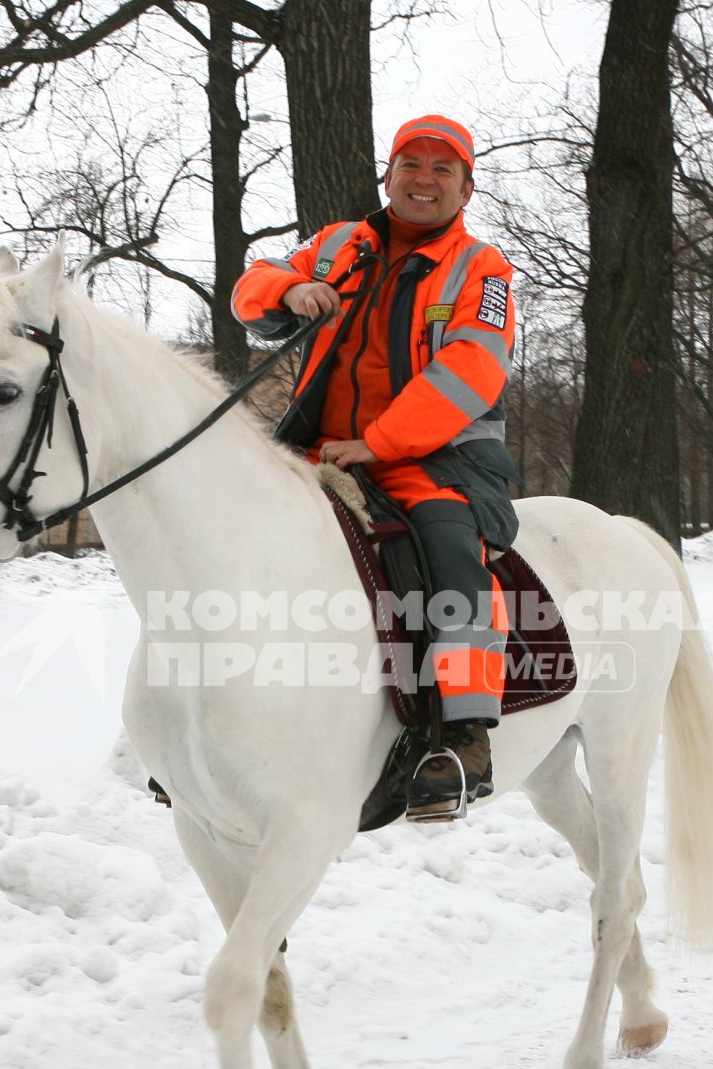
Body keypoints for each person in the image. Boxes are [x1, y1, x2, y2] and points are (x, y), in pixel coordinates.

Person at [231, 114, 524, 816]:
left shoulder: (481, 269)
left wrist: (381, 443)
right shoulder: (336, 244)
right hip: (318, 449)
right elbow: (257, 281)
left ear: (466, 188)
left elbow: (472, 369)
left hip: (436, 455)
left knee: (452, 551)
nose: (423, 179)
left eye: (442, 169)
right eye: (410, 165)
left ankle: (462, 733)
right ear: (387, 177)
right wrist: (289, 292)